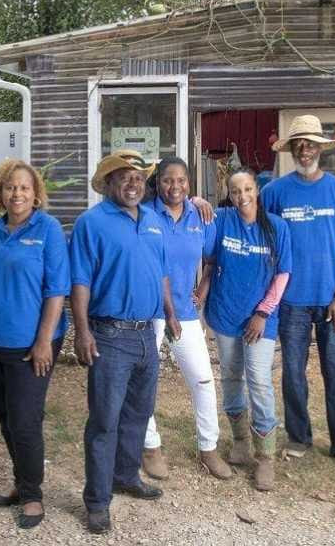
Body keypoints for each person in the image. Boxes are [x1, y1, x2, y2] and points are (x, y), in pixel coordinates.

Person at [68, 149, 180, 535]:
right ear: (110, 182)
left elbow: (161, 272)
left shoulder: (152, 220)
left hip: (148, 333)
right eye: (124, 177)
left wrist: (169, 311)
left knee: (137, 413)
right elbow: (79, 281)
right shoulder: (91, 223)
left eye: (138, 178)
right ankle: (97, 501)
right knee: (104, 420)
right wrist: (81, 332)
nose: (133, 184)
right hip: (109, 335)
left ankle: (125, 476)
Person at [260, 114, 335, 470]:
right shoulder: (274, 193)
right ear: (292, 149)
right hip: (291, 301)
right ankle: (299, 437)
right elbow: (261, 239)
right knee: (293, 372)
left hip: (330, 301)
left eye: (311, 143)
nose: (305, 149)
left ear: (321, 148)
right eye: (299, 143)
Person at [0, 158, 69, 529]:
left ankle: (33, 495)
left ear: (35, 193)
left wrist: (43, 342)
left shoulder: (49, 229)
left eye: (24, 187)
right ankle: (21, 483)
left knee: (24, 421)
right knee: (6, 418)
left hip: (29, 347)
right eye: (9, 187)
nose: (17, 193)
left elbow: (57, 291)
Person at [197, 168, 291, 491]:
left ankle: (265, 457)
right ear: (230, 193)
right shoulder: (223, 219)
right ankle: (239, 440)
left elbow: (282, 276)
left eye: (248, 189)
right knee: (231, 376)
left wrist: (263, 313)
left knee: (260, 381)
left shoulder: (276, 228)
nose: (243, 196)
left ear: (257, 190)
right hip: (224, 314)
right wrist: (197, 199)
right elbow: (206, 251)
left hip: (259, 320)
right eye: (236, 191)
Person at [140, 158, 232, 481]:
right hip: (150, 312)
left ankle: (208, 448)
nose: (175, 186)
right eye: (167, 180)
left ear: (189, 184)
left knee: (204, 381)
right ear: (157, 183)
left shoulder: (201, 215)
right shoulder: (145, 214)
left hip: (187, 311)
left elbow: (211, 258)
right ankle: (150, 447)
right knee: (145, 382)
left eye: (181, 180)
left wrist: (204, 288)